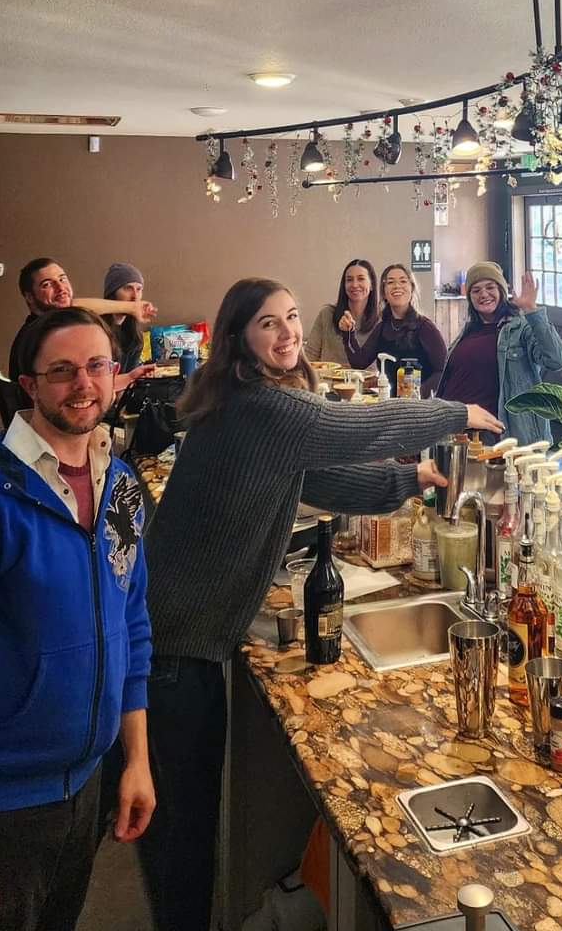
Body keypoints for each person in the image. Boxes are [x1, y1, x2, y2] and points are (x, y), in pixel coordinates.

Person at [138, 277, 503, 931]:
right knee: (184, 828)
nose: (286, 335)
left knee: (180, 822)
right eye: (267, 325)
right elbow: (350, 426)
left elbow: (320, 477)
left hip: (173, 636)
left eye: (291, 319)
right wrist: (454, 413)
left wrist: (408, 480)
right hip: (176, 649)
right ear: (238, 341)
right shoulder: (263, 408)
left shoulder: (245, 404)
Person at [0, 307, 154, 931]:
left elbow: (133, 624)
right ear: (29, 386)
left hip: (87, 787)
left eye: (96, 367)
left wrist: (137, 759)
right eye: (61, 371)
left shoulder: (120, 486)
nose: (83, 385)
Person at [437, 261, 562, 444]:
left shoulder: (521, 328)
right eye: (476, 290)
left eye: (490, 287)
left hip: (498, 435)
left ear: (501, 290)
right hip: (457, 432)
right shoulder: (467, 332)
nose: (484, 294)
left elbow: (557, 359)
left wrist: (532, 310)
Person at [9, 258, 158, 397]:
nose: (61, 288)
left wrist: (132, 376)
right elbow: (80, 390)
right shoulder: (40, 336)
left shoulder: (55, 326)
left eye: (62, 279)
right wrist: (132, 307)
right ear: (29, 297)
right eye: (47, 284)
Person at [347, 263, 447, 396]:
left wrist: (416, 396)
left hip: (421, 409)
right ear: (384, 293)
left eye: (403, 281)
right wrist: (348, 332)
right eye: (390, 282)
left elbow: (443, 371)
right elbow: (359, 362)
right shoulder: (382, 327)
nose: (397, 286)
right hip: (391, 406)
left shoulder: (425, 327)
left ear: (412, 289)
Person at [304, 258, 380, 365]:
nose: (354, 284)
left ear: (371, 284)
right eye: (349, 280)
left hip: (369, 381)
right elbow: (309, 357)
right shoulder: (327, 314)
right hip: (328, 381)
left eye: (361, 279)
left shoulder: (382, 320)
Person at [101, 262, 157, 384]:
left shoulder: (134, 335)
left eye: (139, 289)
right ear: (112, 292)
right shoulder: (98, 330)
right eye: (128, 288)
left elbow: (129, 381)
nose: (135, 296)